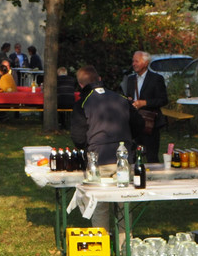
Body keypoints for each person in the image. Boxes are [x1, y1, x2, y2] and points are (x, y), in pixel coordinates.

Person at [70, 65, 133, 229]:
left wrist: (88, 148)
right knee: (124, 204)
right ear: (99, 79)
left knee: (100, 206)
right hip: (124, 159)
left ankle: (101, 240)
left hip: (98, 160)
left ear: (81, 85)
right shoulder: (121, 98)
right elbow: (138, 124)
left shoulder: (82, 103)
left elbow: (77, 136)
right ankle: (125, 242)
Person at [123, 51, 168, 163]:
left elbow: (163, 100)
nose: (134, 64)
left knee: (151, 156)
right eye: (133, 61)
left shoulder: (156, 79)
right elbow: (128, 96)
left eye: (136, 61)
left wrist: (145, 103)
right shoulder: (131, 79)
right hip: (134, 122)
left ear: (146, 63)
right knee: (132, 155)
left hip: (150, 123)